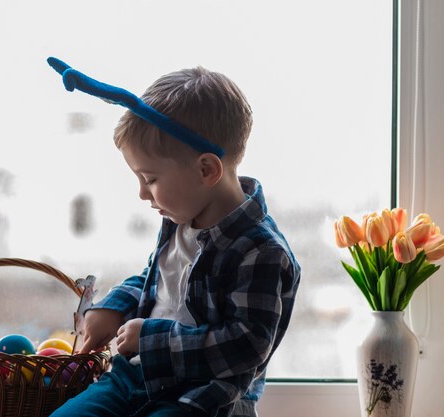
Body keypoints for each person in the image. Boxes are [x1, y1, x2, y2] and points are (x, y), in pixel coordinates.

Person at [49, 65, 301, 417]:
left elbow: (246, 345)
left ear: (206, 170)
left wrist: (151, 340)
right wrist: (114, 306)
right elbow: (158, 284)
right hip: (132, 378)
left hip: (201, 399)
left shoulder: (261, 251)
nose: (141, 193)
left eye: (150, 179)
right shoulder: (179, 217)